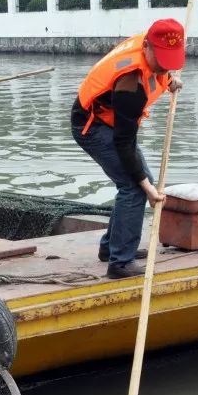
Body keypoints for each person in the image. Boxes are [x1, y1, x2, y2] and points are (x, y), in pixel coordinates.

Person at [71, 18, 185, 279]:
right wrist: (145, 186)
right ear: (146, 46)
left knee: (141, 184)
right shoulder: (129, 86)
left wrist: (168, 80)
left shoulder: (152, 45)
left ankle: (111, 247)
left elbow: (156, 70)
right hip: (92, 126)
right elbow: (124, 142)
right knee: (134, 187)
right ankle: (120, 263)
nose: (164, 66)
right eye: (162, 60)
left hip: (110, 123)